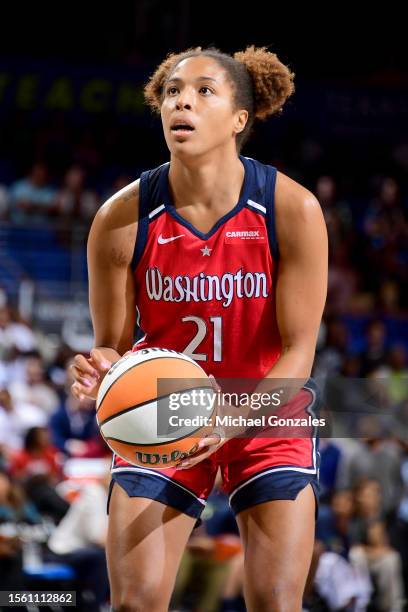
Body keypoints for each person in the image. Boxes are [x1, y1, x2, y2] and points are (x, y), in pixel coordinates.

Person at [70, 46, 328, 611]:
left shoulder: (292, 209)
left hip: (265, 414)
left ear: (240, 118)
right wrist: (100, 370)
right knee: (135, 602)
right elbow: (111, 345)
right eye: (171, 91)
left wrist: (234, 420)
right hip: (162, 416)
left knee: (276, 602)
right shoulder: (120, 218)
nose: (181, 100)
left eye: (204, 90)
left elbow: (299, 352)